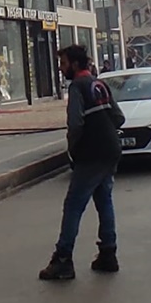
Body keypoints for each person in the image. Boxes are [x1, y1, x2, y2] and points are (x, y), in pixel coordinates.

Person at [39, 44, 124, 281]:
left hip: (91, 154)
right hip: (110, 150)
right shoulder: (99, 84)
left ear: (75, 64)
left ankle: (63, 260)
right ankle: (108, 253)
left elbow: (75, 124)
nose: (61, 68)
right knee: (104, 200)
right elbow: (118, 117)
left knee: (74, 205)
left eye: (63, 63)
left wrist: (74, 148)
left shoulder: (77, 87)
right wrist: (104, 131)